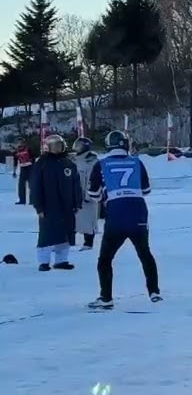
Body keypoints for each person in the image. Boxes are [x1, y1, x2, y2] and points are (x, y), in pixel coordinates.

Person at [88, 130, 161, 309]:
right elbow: (146, 190)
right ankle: (154, 291)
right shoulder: (137, 162)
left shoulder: (101, 164)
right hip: (138, 212)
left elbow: (93, 193)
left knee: (105, 259)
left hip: (116, 214)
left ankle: (106, 297)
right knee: (145, 253)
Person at [30, 134, 81, 271]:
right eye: (54, 146)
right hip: (49, 205)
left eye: (60, 145)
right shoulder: (41, 164)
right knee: (47, 234)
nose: (58, 149)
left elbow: (76, 184)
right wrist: (38, 206)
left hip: (67, 206)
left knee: (65, 234)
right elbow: (35, 186)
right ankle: (43, 261)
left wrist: (77, 202)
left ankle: (61, 260)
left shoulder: (69, 164)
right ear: (48, 147)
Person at [72, 137, 100, 250]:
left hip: (86, 196)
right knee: (73, 220)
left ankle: (88, 242)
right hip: (74, 195)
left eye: (80, 146)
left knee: (88, 220)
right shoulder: (74, 160)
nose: (77, 148)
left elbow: (93, 179)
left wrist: (90, 194)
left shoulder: (91, 161)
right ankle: (69, 241)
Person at [13, 141, 32, 205]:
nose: (20, 144)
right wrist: (14, 172)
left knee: (31, 185)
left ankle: (31, 200)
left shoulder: (28, 150)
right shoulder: (16, 152)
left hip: (30, 168)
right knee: (21, 185)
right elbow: (15, 162)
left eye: (21, 143)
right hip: (24, 168)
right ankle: (22, 200)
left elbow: (33, 158)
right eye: (19, 143)